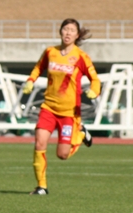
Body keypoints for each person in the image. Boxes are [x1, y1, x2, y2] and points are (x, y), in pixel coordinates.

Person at [22, 18, 100, 196]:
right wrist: (30, 81)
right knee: (39, 143)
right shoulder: (50, 52)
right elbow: (37, 68)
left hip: (69, 113)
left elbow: (95, 79)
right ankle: (41, 187)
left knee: (62, 154)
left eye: (72, 30)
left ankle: (80, 134)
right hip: (48, 108)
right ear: (60, 32)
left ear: (77, 35)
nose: (68, 33)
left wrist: (94, 91)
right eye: (65, 29)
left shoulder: (81, 57)